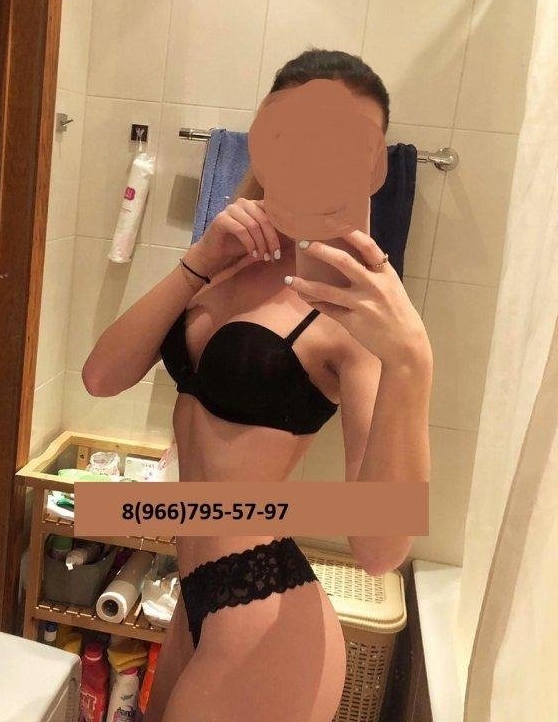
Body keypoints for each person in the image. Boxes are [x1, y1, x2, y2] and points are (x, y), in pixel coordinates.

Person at [82, 48, 433, 722]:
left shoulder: (352, 307)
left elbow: (379, 548)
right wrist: (197, 260)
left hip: (265, 613)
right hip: (195, 592)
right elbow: (102, 376)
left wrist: (413, 361)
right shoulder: (225, 261)